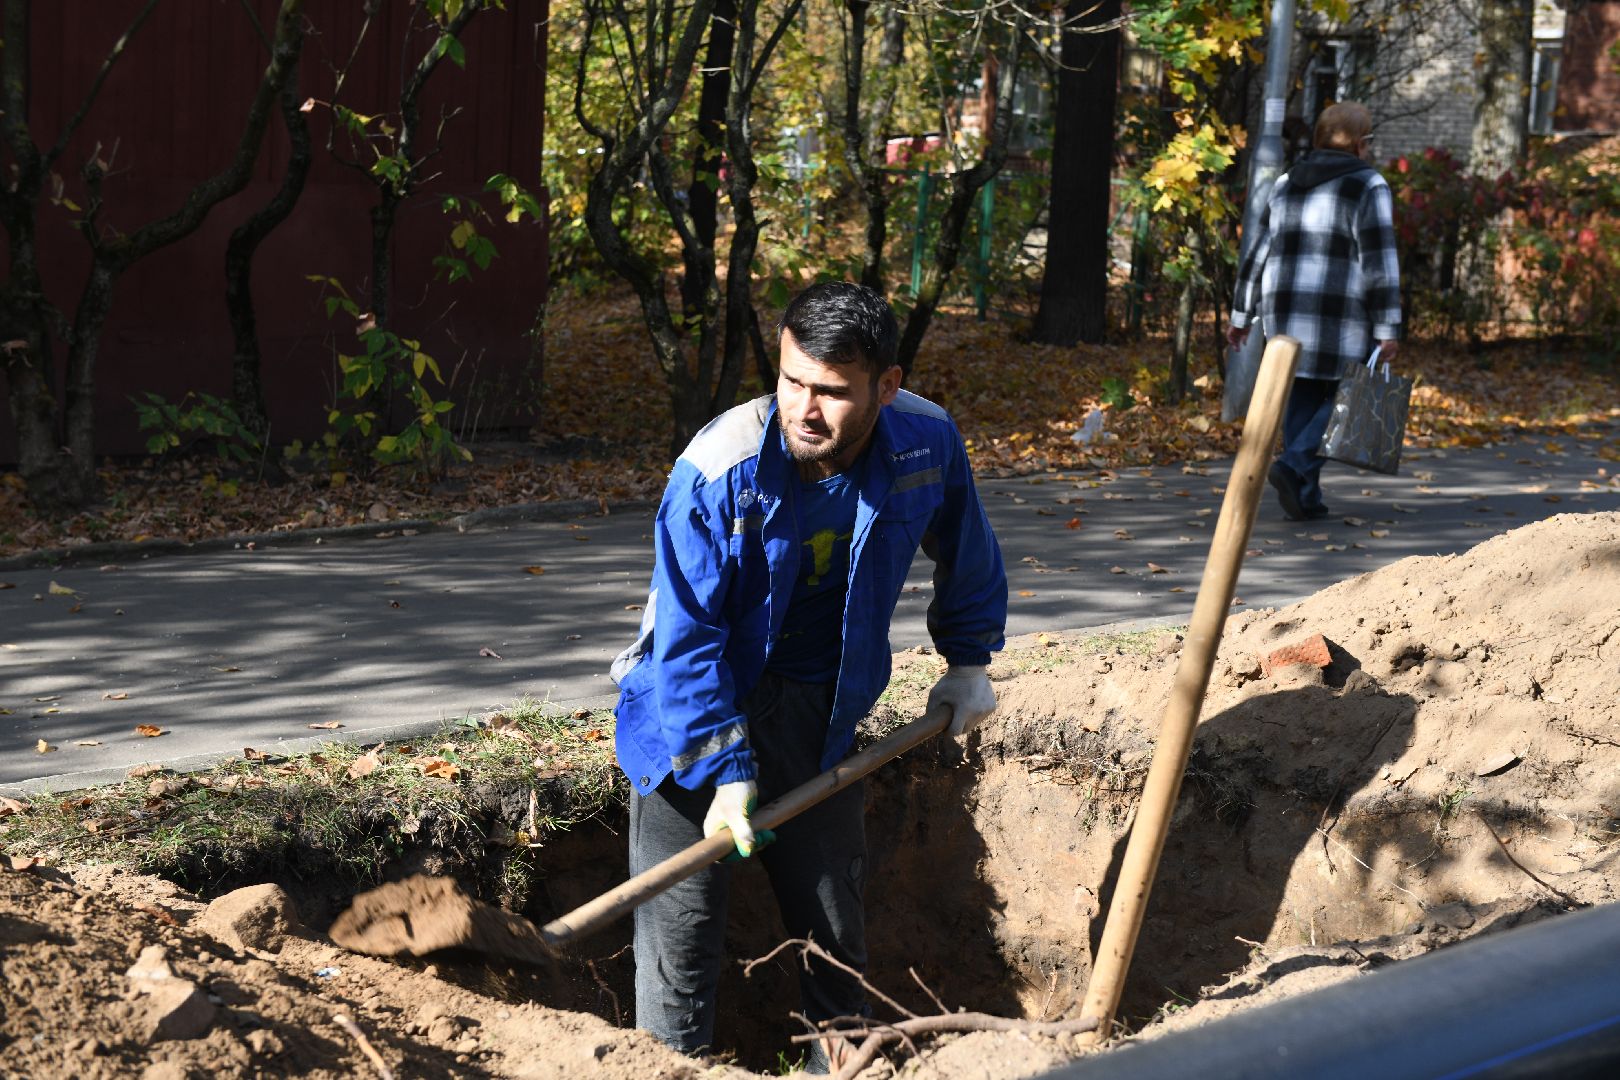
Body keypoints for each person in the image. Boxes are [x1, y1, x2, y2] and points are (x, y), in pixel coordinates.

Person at [609, 281, 1007, 1070]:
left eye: (831, 391)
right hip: (689, 721)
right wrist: (724, 772)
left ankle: (840, 1068)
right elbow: (686, 640)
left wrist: (968, 662)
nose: (805, 409)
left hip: (817, 717)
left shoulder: (924, 440)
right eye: (792, 382)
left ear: (886, 387)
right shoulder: (718, 468)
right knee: (679, 950)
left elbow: (967, 547)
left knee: (834, 937)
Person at [1227, 101, 1403, 521]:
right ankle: (1294, 465)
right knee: (1348, 395)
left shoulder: (1287, 181)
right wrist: (1387, 326)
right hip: (1339, 313)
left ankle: (1305, 497)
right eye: (1368, 140)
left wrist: (1240, 315)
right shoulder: (1368, 185)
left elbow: (1258, 249)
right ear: (1359, 144)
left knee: (1304, 391)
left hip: (1285, 311)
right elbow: (1379, 261)